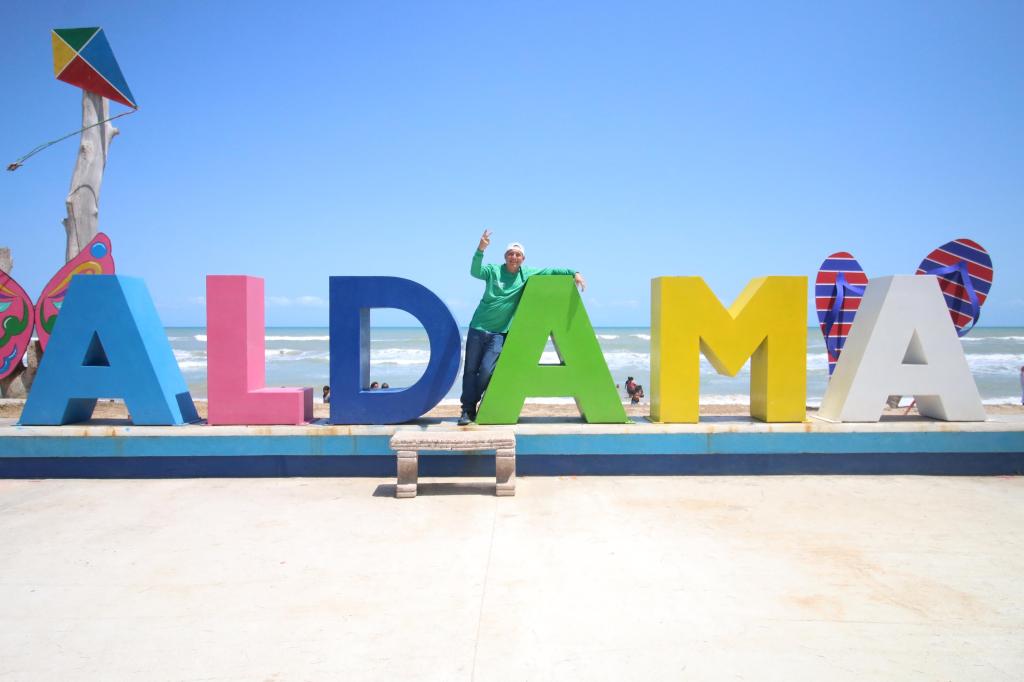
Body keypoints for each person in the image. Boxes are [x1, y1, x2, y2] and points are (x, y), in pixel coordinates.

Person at [459, 229, 585, 426]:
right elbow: (475, 271)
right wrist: (480, 249)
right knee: (470, 370)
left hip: (499, 333)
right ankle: (467, 410)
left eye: (517, 255)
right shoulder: (493, 270)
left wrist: (573, 272)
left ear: (523, 258)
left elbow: (549, 271)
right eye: (510, 254)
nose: (514, 257)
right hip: (478, 327)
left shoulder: (526, 274)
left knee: (485, 370)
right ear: (505, 256)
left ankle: (480, 399)